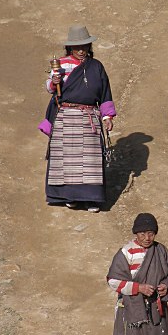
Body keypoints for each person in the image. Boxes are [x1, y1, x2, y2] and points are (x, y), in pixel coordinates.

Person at [41, 24, 116, 212]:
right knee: (67, 159)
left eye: (84, 47)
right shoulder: (61, 64)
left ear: (89, 47)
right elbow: (50, 87)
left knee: (90, 160)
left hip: (89, 116)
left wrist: (107, 116)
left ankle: (91, 199)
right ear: (70, 48)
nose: (81, 51)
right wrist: (54, 82)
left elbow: (105, 92)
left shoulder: (96, 66)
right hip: (66, 116)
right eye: (77, 47)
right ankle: (69, 196)